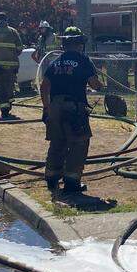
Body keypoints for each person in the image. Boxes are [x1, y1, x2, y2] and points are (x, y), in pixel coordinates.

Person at [40, 26, 104, 193]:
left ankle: (51, 178)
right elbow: (94, 84)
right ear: (80, 44)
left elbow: (44, 85)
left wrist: (47, 108)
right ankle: (71, 182)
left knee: (57, 142)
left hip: (54, 107)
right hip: (74, 109)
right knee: (78, 143)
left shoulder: (56, 62)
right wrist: (100, 84)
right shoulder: (84, 61)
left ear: (64, 44)